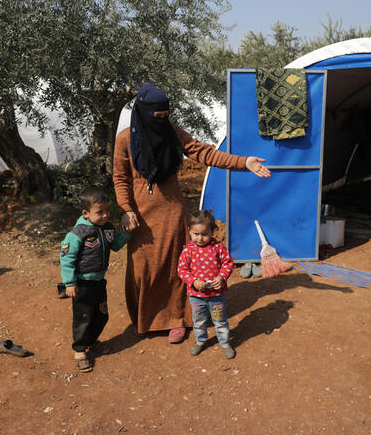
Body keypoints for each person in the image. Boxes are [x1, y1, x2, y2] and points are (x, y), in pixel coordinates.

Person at [113, 83, 271, 344]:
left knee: (177, 267)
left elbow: (203, 152)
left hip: (173, 210)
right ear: (142, 113)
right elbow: (120, 178)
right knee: (144, 269)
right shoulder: (125, 139)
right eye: (157, 117)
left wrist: (243, 162)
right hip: (140, 214)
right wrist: (126, 209)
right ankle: (147, 319)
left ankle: (177, 319)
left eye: (166, 116)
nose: (163, 121)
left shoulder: (172, 132)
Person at [60, 186, 131, 372]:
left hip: (99, 282)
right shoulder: (77, 233)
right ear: (85, 213)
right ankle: (80, 349)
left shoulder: (106, 228)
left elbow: (115, 245)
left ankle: (92, 342)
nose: (106, 215)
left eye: (108, 210)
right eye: (100, 212)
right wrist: (69, 283)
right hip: (82, 284)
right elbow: (67, 259)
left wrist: (125, 232)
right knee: (83, 316)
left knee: (101, 315)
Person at [177, 209, 236, 359]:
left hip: (216, 295)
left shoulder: (218, 248)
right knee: (199, 321)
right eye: (196, 234)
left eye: (205, 234)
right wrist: (194, 281)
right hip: (196, 296)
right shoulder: (187, 251)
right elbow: (182, 270)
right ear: (189, 231)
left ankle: (225, 342)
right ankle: (200, 340)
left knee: (220, 320)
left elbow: (228, 263)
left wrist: (222, 277)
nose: (200, 238)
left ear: (212, 232)